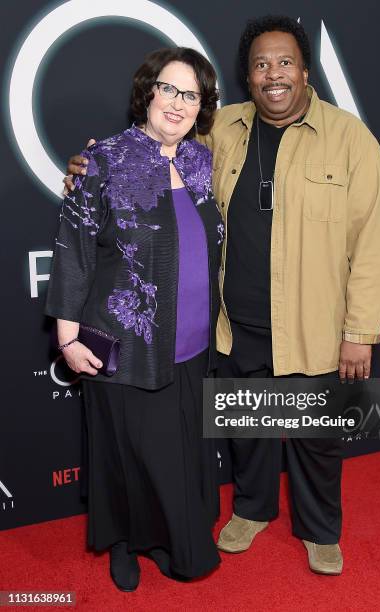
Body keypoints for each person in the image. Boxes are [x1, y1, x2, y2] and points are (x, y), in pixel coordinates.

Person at [66, 15, 380, 576]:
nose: (274, 74)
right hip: (235, 324)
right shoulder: (221, 131)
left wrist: (359, 333)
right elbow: (155, 149)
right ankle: (251, 509)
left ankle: (319, 530)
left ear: (305, 71)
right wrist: (90, 165)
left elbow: (374, 244)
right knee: (249, 432)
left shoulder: (350, 139)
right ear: (248, 76)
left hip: (313, 324)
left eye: (285, 62)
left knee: (315, 439)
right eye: (261, 64)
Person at [46, 47, 224, 591]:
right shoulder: (104, 160)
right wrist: (67, 336)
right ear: (147, 93)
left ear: (202, 107)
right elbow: (74, 249)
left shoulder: (199, 160)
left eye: (190, 94)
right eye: (167, 88)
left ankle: (173, 539)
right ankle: (123, 543)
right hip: (124, 342)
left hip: (192, 342)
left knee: (178, 455)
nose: (177, 102)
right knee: (124, 454)